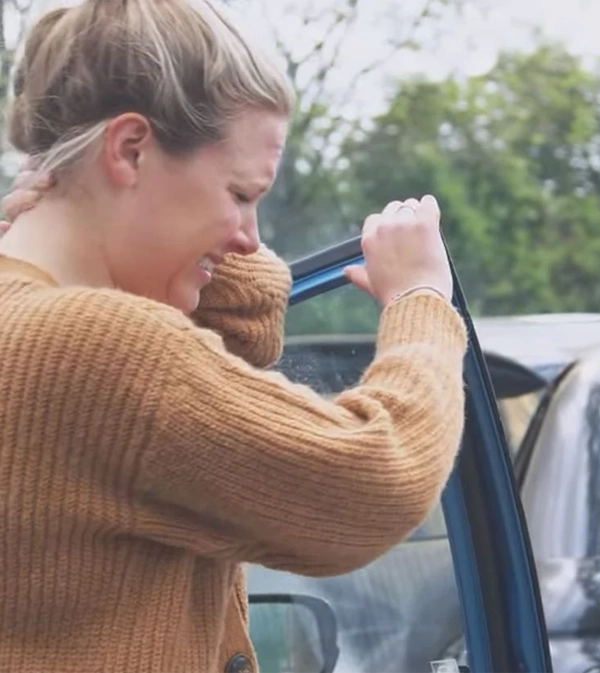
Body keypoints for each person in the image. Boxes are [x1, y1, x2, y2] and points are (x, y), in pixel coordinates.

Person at [0, 0, 467, 670]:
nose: (251, 236)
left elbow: (237, 332)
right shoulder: (102, 349)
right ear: (130, 148)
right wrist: (421, 301)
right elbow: (373, 484)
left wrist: (91, 205)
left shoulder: (30, 317)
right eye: (242, 193)